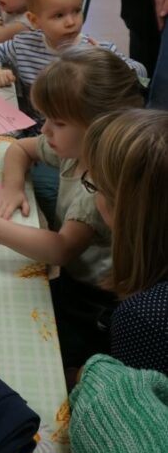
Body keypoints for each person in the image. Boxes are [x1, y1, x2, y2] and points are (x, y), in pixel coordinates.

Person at [0, 48, 146, 368]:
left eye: (59, 122)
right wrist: (11, 187)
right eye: (46, 118)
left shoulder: (99, 188)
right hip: (73, 278)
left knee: (31, 347)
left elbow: (60, 250)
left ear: (99, 130)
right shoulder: (74, 149)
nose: (45, 129)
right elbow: (18, 148)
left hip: (94, 301)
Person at [0, 0, 147, 109]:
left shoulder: (98, 51)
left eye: (76, 11)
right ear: (34, 20)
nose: (71, 22)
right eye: (59, 15)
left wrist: (112, 64)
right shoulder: (23, 44)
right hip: (37, 130)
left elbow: (142, 74)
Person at [82, 107, 168, 374]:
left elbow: (129, 406)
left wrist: (90, 376)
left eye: (94, 186)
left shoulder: (144, 319)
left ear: (125, 210)